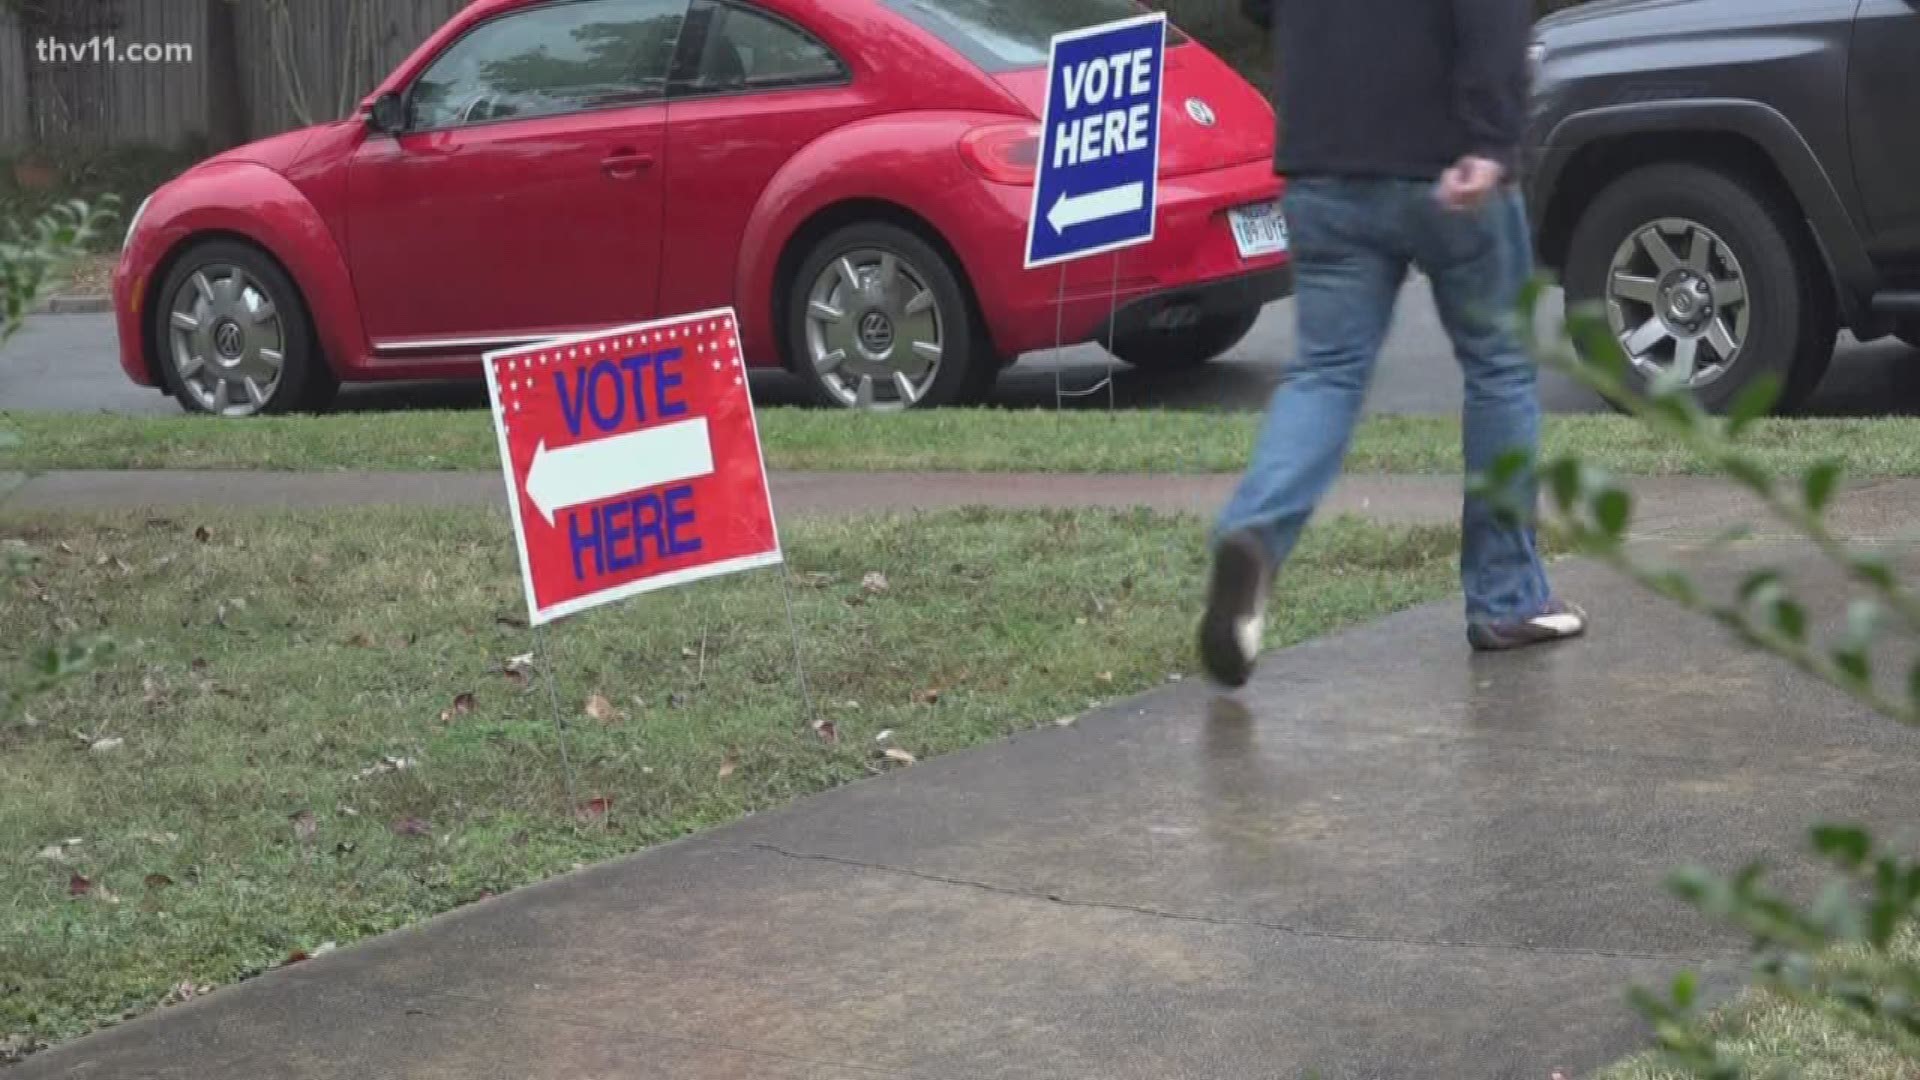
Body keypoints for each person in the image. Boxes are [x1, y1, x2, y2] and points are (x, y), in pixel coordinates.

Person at [1198, 0, 1587, 689]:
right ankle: (1508, 598)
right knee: (1499, 368)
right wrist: (1492, 142)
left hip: (1322, 160)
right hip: (1444, 161)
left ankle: (1255, 533)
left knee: (1325, 373)